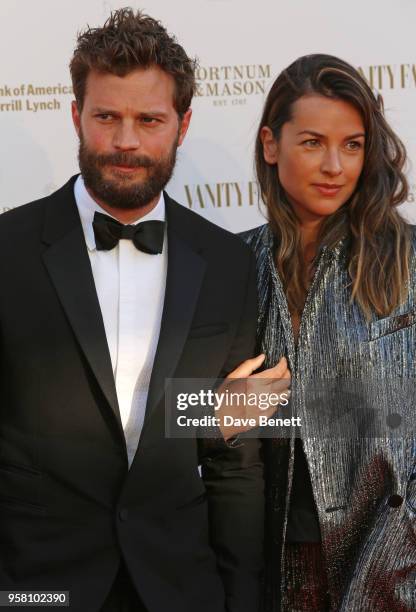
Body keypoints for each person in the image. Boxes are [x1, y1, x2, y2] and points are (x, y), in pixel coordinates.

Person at [0, 9, 266, 612]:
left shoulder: (228, 266)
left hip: (180, 588)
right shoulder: (7, 252)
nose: (126, 141)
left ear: (183, 123)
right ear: (75, 115)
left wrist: (241, 598)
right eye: (106, 117)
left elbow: (232, 459)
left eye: (149, 120)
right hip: (37, 588)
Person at [239, 54, 416, 611]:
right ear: (272, 144)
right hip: (266, 564)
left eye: (354, 144)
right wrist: (214, 413)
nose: (335, 166)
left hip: (392, 561)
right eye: (313, 142)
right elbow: (179, 416)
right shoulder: (232, 265)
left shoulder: (407, 262)